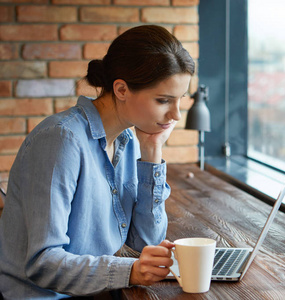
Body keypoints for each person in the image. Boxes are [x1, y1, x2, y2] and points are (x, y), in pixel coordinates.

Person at [0, 25, 195, 299]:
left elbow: (144, 243)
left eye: (180, 100)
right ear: (121, 89)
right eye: (163, 100)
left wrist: (152, 149)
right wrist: (132, 271)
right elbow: (42, 263)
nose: (175, 114)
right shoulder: (60, 140)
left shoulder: (128, 139)